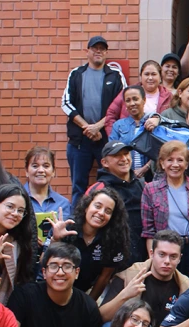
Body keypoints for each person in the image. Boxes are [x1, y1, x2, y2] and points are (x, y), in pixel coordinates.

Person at [61, 35, 126, 207]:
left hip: (105, 140)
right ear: (87, 51)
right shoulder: (76, 74)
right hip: (79, 140)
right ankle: (76, 228)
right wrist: (87, 128)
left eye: (102, 48)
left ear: (106, 52)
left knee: (113, 183)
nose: (98, 51)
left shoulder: (115, 75)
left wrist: (98, 127)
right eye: (94, 48)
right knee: (78, 186)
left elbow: (121, 105)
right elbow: (66, 104)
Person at [141, 141, 189, 279]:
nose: (175, 165)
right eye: (170, 160)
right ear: (162, 164)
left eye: (180, 160)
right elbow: (148, 231)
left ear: (187, 164)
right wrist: (154, 259)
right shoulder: (150, 189)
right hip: (164, 252)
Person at [47, 187, 130, 299]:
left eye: (108, 211)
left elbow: (104, 277)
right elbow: (44, 262)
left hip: (84, 292)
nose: (101, 213)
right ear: (86, 207)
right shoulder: (67, 226)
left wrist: (88, 304)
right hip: (53, 287)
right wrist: (56, 239)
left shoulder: (114, 238)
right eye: (97, 206)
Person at [100, 230, 189, 325]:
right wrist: (125, 295)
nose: (167, 261)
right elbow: (102, 316)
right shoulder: (130, 276)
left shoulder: (185, 286)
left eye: (173, 256)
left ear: (180, 258)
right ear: (151, 254)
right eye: (162, 255)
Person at [85, 141, 146, 265]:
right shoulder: (99, 188)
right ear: (104, 163)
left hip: (144, 258)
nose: (124, 159)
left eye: (126, 154)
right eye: (117, 155)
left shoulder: (143, 185)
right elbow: (82, 220)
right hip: (112, 262)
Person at [0, 184, 34, 304]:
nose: (15, 213)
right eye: (10, 207)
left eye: (21, 211)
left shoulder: (18, 242)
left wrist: (55, 240)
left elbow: (24, 280)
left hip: (5, 310)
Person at [108, 85, 162, 179]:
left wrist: (145, 168)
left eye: (135, 99)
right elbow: (112, 151)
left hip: (151, 176)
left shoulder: (153, 122)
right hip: (125, 176)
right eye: (128, 100)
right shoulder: (118, 125)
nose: (132, 103)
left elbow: (161, 150)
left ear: (144, 100)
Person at [105, 60, 172, 136]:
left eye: (153, 74)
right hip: (128, 142)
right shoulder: (128, 92)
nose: (150, 78)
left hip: (158, 141)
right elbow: (111, 115)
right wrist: (115, 138)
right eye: (146, 74)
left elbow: (173, 120)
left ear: (160, 77)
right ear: (141, 76)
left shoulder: (169, 97)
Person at [24, 147, 71, 220]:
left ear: (53, 172)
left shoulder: (63, 204)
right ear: (26, 171)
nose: (41, 170)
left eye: (46, 166)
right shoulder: (16, 198)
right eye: (35, 166)